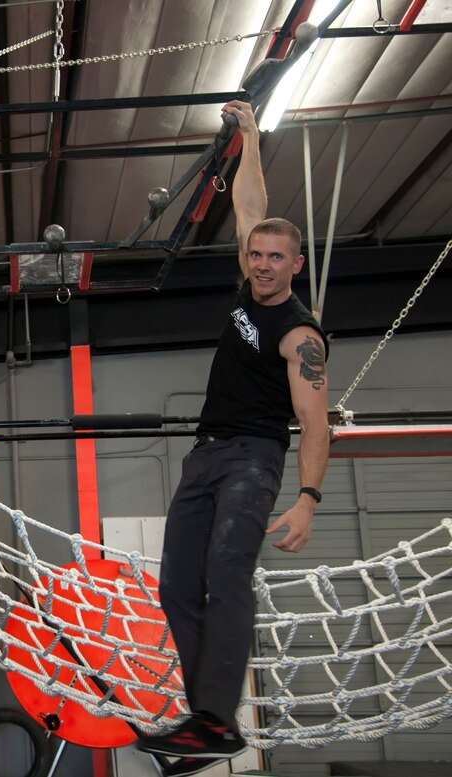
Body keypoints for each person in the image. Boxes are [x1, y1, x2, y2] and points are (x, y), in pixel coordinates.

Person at [136, 101, 330, 777]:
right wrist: (249, 135)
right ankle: (203, 719)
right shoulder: (249, 284)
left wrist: (307, 497)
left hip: (254, 455)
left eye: (278, 257)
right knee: (174, 585)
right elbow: (252, 199)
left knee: (225, 572)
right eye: (257, 254)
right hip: (204, 453)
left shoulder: (299, 335)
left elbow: (315, 423)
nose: (265, 263)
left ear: (296, 264)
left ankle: (216, 717)